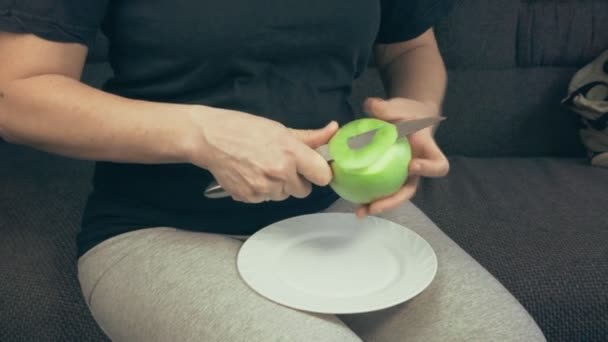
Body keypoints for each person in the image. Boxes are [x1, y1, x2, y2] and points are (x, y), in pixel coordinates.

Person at [0, 1, 546, 341]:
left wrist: (416, 108)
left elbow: (411, 45)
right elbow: (15, 96)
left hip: (339, 213)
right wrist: (200, 132)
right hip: (158, 227)